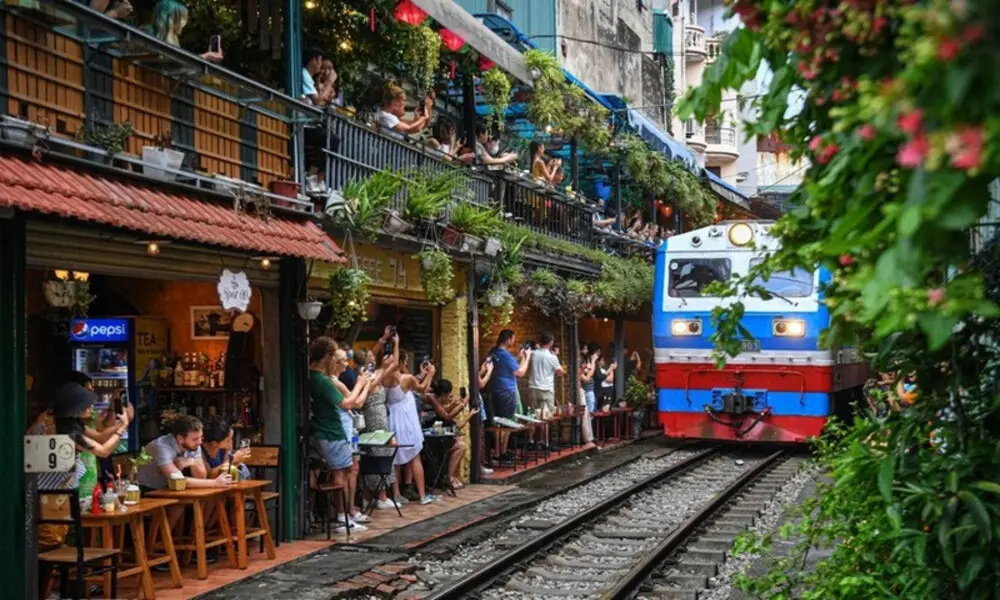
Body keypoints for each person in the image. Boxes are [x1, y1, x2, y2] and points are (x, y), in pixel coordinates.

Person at [308, 338, 374, 532]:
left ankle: (323, 514)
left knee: (334, 471)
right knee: (342, 473)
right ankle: (342, 517)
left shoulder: (313, 377)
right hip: (332, 431)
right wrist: (362, 383)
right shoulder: (323, 381)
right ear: (328, 357)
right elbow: (348, 404)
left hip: (321, 430)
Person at [381, 333, 438, 505]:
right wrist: (430, 374)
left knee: (396, 459)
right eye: (405, 361)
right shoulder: (407, 379)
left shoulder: (386, 377)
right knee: (414, 457)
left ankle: (397, 494)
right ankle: (422, 495)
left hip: (393, 419)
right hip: (407, 421)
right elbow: (421, 389)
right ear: (402, 361)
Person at [358, 348, 400, 511]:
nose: (373, 359)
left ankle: (376, 495)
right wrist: (383, 366)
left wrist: (395, 343)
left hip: (381, 415)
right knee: (377, 451)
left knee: (385, 450)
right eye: (370, 357)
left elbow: (395, 364)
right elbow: (373, 384)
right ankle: (378, 495)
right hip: (372, 416)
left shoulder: (376, 372)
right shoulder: (366, 375)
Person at [426, 379, 469, 489]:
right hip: (430, 439)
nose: (450, 397)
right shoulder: (432, 398)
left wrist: (455, 404)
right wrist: (462, 405)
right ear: (444, 394)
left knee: (460, 444)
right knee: (460, 445)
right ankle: (449, 477)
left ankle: (450, 476)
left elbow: (443, 412)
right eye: (449, 395)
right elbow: (446, 416)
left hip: (436, 435)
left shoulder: (436, 401)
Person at [526, 332, 565, 415]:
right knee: (547, 416)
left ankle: (533, 428)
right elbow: (560, 373)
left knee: (533, 415)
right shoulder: (552, 357)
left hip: (533, 388)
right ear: (551, 343)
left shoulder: (533, 354)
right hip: (546, 390)